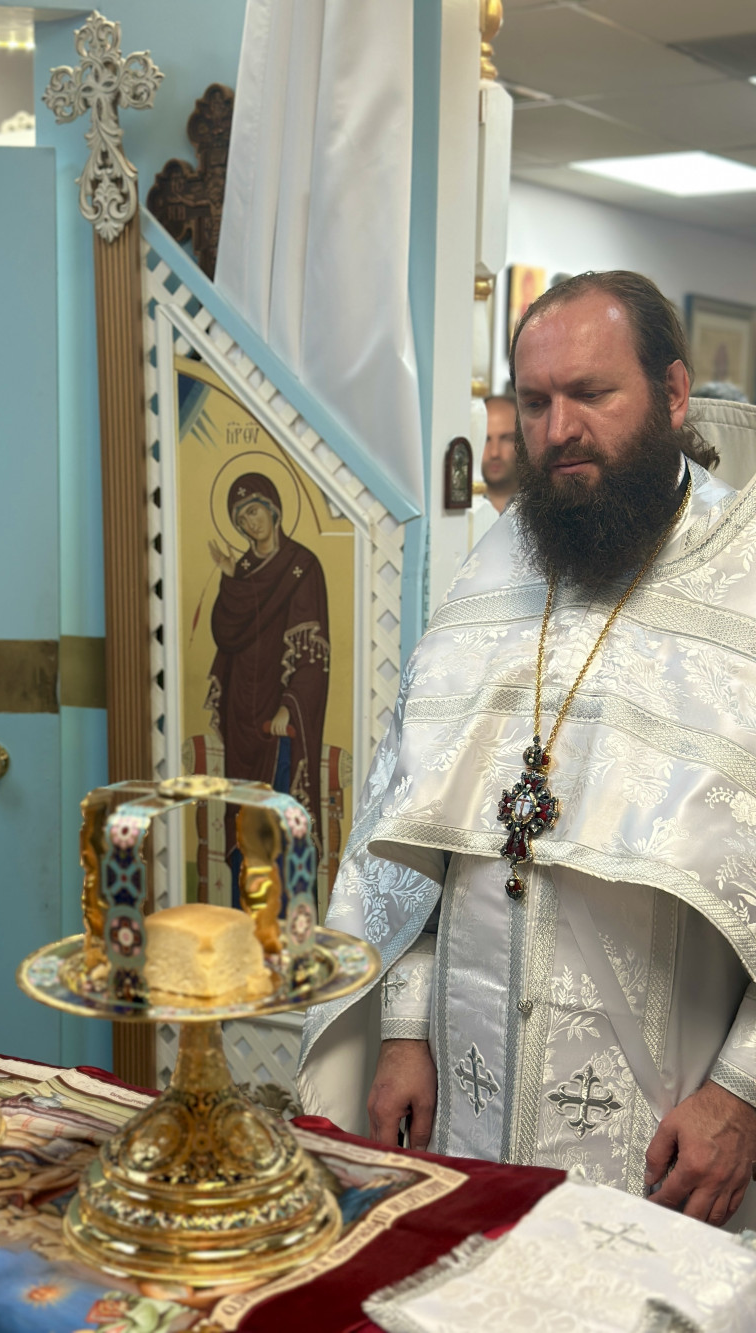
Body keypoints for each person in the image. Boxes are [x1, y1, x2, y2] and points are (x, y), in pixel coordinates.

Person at [298, 270, 756, 1229]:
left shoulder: (745, 575)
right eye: (536, 402)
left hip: (665, 1132)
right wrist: (405, 1029)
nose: (559, 431)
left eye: (592, 394)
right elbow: (418, 828)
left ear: (674, 394)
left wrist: (742, 1094)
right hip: (465, 1101)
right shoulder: (497, 568)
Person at [207, 471, 330, 859]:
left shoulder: (302, 566)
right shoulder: (242, 569)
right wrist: (230, 580)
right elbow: (226, 635)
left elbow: (312, 653)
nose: (250, 522)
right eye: (241, 517)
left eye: (255, 510)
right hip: (240, 713)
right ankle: (243, 898)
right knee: (244, 822)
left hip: (279, 720)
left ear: (273, 509)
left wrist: (289, 705)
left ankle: (286, 898)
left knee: (279, 822)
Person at [470, 393, 518, 547]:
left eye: (506, 439)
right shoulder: (458, 514)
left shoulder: (543, 508)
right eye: (486, 439)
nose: (494, 452)